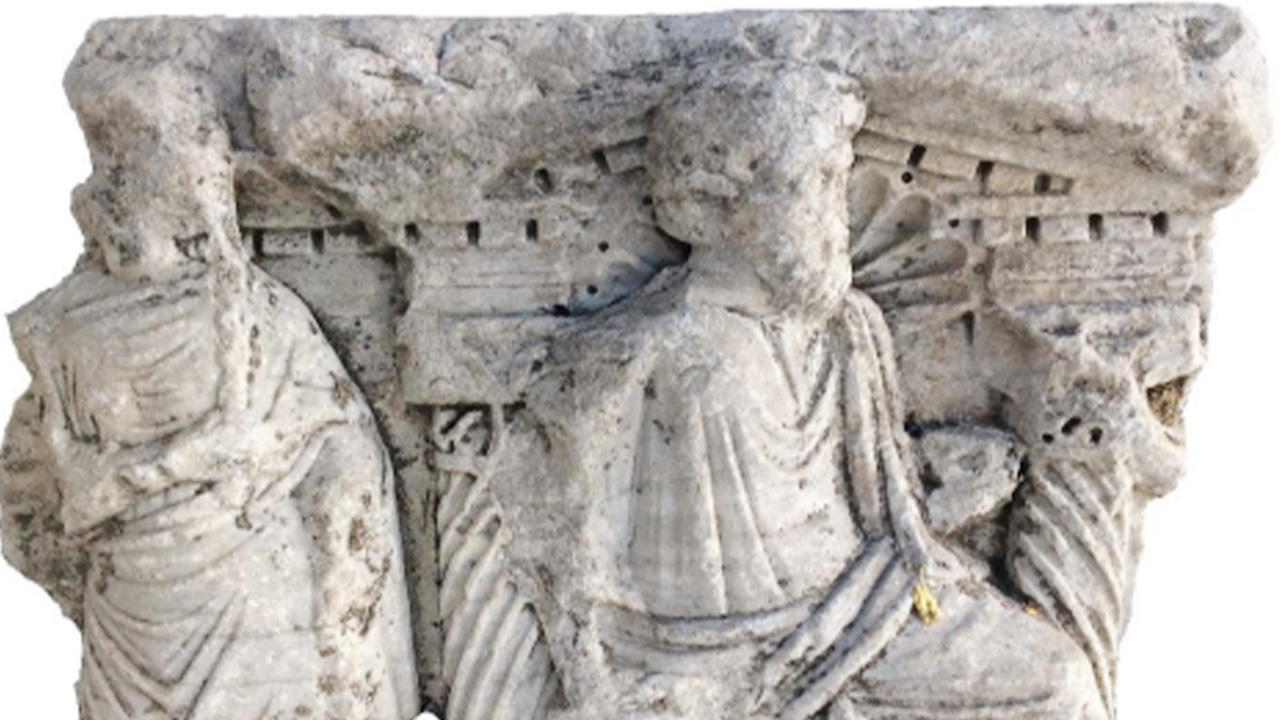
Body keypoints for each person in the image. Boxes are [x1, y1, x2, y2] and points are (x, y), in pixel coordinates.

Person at [510, 62, 1107, 720]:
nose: (836, 211)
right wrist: (593, 680)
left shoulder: (850, 328)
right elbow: (556, 535)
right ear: (714, 204)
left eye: (837, 178)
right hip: (722, 653)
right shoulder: (642, 353)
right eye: (813, 181)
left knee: (1063, 678)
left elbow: (878, 509)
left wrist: (941, 493)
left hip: (862, 604)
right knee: (1057, 690)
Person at [0, 67, 417, 720]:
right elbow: (30, 482)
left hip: (238, 608)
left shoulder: (249, 314)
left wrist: (341, 601)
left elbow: (339, 446)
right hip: (156, 604)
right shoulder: (69, 326)